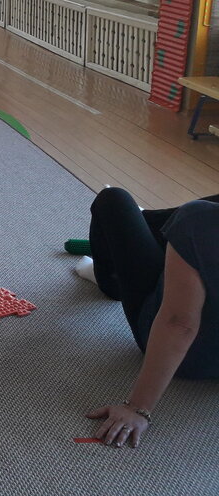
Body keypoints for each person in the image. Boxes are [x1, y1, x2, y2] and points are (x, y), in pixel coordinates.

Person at [77, 187, 219, 447]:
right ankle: (158, 227)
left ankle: (110, 277)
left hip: (186, 357)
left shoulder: (200, 220)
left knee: (113, 200)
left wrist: (138, 408)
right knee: (187, 220)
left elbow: (179, 323)